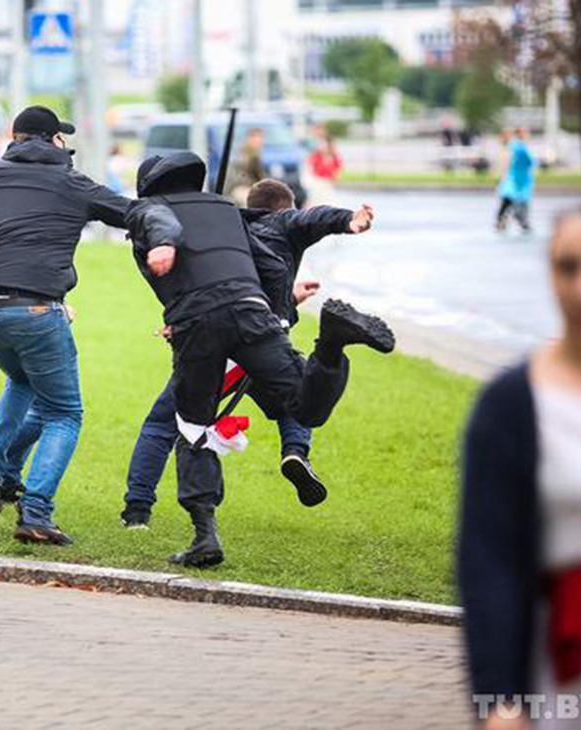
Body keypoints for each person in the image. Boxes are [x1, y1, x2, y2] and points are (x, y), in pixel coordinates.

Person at [0, 105, 182, 546]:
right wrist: (169, 230)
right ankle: (36, 512)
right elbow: (135, 214)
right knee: (64, 413)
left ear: (15, 138)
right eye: (63, 138)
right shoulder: (71, 182)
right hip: (36, 311)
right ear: (54, 140)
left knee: (22, 382)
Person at [124, 152, 395, 567]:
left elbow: (160, 231)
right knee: (306, 408)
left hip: (197, 324)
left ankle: (204, 537)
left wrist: (171, 277)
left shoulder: (149, 214)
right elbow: (277, 245)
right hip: (254, 311)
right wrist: (280, 305)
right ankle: (331, 344)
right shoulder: (228, 212)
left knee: (193, 427)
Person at [459, 203, 581, 730]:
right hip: (565, 671)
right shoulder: (512, 404)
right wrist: (499, 701)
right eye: (568, 268)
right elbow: (489, 562)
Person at [497, 128, 536, 234]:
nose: (529, 136)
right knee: (516, 200)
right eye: (527, 134)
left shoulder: (515, 146)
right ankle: (521, 220)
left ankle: (505, 221)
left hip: (516, 177)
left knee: (509, 200)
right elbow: (527, 162)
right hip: (518, 178)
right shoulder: (519, 147)